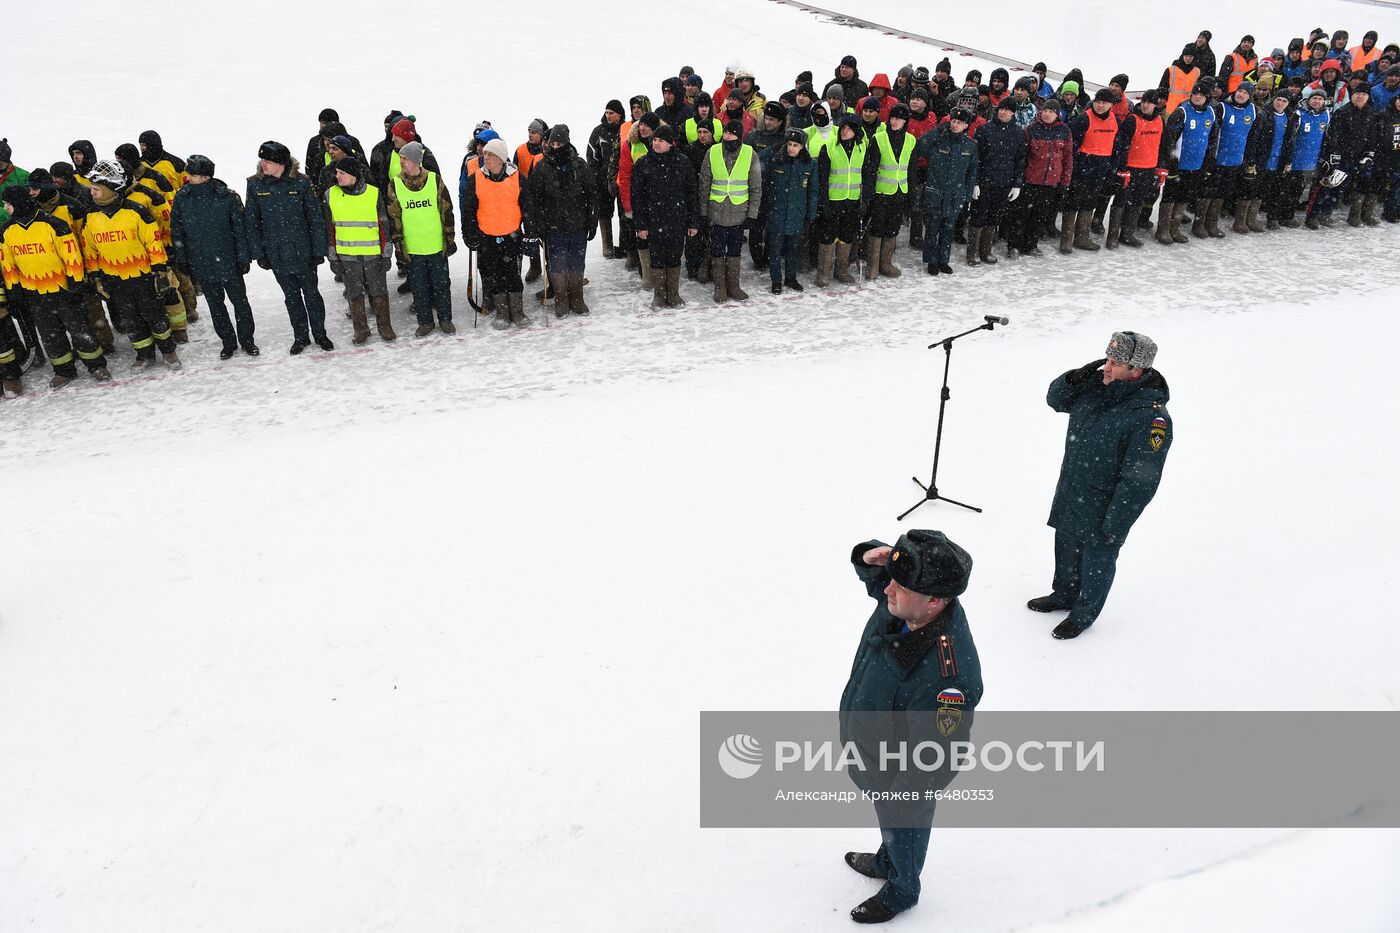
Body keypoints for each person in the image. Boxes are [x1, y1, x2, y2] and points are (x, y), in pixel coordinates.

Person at [840, 529, 981, 924]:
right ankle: (888, 859)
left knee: (905, 827)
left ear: (934, 600)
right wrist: (869, 556)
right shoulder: (912, 606)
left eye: (898, 586)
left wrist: (901, 798)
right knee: (892, 825)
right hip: (875, 754)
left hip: (902, 777)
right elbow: (883, 582)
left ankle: (902, 889)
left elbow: (939, 756)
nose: (887, 590)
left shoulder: (948, 678)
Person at [1032, 332, 1171, 639]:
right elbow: (1055, 400)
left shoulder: (1150, 418)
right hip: (1073, 491)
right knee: (1066, 547)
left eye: (1115, 363)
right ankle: (1064, 594)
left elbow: (1140, 481)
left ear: (1136, 370)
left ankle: (1083, 615)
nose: (1106, 367)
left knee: (1098, 559)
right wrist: (1074, 378)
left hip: (1105, 506)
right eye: (1107, 359)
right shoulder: (1094, 388)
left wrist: (1116, 522)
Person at [1, 186, 109, 387]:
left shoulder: (54, 224)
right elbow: (8, 265)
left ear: (19, 203)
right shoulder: (6, 231)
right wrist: (14, 291)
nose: (6, 208)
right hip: (34, 294)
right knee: (50, 335)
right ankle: (63, 370)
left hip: (63, 291)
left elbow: (72, 257)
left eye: (8, 204)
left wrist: (76, 284)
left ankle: (96, 365)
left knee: (80, 330)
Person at [80, 159, 182, 370]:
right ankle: (144, 354)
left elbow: (154, 244)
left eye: (96, 188)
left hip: (144, 277)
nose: (92, 192)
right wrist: (96, 278)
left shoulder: (136, 212)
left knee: (155, 315)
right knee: (131, 319)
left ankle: (168, 351)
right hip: (115, 280)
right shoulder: (90, 217)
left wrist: (161, 273)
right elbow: (90, 250)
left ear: (110, 188)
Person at [244, 140, 333, 355]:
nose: (263, 164)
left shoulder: (301, 183)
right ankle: (300, 336)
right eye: (262, 160)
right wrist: (259, 253)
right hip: (276, 254)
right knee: (291, 297)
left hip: (303, 252)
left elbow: (315, 219)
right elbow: (252, 222)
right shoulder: (255, 185)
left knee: (312, 295)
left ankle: (320, 334)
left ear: (280, 163)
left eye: (267, 161)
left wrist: (318, 250)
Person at [169, 154, 259, 359]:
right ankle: (228, 342)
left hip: (229, 261)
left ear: (205, 177)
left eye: (192, 174)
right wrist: (182, 258)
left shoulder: (227, 197)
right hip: (202, 262)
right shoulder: (182, 198)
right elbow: (177, 231)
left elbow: (240, 229)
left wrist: (243, 257)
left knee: (240, 303)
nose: (188, 177)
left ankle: (247, 340)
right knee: (215, 306)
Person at [525, 124, 596, 318]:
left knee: (577, 263)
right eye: (553, 144)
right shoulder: (542, 167)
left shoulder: (579, 165)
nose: (555, 147)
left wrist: (592, 219)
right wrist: (537, 225)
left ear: (567, 143)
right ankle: (561, 298)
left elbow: (592, 194)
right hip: (553, 227)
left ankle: (577, 297)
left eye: (559, 144)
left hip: (578, 225)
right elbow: (533, 199)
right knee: (557, 264)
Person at [388, 141, 458, 335]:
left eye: (405, 158)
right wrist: (399, 244)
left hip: (436, 246)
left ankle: (445, 319)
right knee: (419, 288)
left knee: (441, 285)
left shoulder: (434, 180)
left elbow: (446, 210)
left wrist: (449, 238)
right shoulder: (395, 184)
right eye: (401, 158)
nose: (401, 162)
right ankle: (425, 322)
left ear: (416, 160)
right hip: (413, 248)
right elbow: (394, 217)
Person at [462, 137, 531, 329]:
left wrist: (531, 232)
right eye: (484, 154)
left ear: (501, 158)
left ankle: (517, 311)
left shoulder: (517, 178)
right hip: (488, 238)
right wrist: (469, 234)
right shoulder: (475, 179)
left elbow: (528, 208)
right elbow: (469, 210)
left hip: (512, 237)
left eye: (490, 155)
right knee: (495, 275)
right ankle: (502, 312)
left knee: (513, 275)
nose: (485, 157)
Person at [324, 158, 395, 345]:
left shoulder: (373, 193)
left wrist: (386, 254)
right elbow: (329, 229)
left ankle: (385, 326)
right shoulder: (330, 195)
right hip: (347, 256)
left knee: (379, 291)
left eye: (342, 173)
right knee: (354, 294)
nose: (337, 176)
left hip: (373, 255)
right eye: (337, 172)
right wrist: (333, 258)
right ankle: (361, 330)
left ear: (354, 175)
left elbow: (383, 225)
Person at [630, 124, 699, 310]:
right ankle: (659, 296)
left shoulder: (682, 162)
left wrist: (693, 222)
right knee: (657, 258)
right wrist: (640, 225)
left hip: (677, 220)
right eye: (654, 140)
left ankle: (673, 294)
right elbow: (637, 197)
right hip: (654, 221)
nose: (656, 143)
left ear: (670, 143)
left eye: (661, 140)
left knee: (675, 257)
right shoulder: (643, 164)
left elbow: (692, 194)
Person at [699, 120, 761, 303]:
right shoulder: (712, 152)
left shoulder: (750, 154)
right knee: (717, 250)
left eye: (731, 133)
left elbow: (756, 187)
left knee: (735, 251)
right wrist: (703, 212)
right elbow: (704, 184)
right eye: (725, 132)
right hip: (716, 212)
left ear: (739, 136)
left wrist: (752, 214)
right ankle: (720, 287)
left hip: (739, 213)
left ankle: (734, 286)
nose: (727, 136)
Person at [914, 107, 978, 276]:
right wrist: (937, 130)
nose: (955, 125)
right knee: (932, 229)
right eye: (953, 121)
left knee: (948, 230)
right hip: (934, 192)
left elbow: (972, 171)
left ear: (966, 125)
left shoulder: (970, 146)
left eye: (960, 122)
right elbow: (920, 146)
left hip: (955, 195)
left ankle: (943, 260)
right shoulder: (938, 139)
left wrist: (967, 194)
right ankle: (931, 261)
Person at [1008, 98, 1073, 257]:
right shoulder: (1031, 129)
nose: (1047, 114)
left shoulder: (1065, 131)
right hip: (1030, 181)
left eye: (1051, 112)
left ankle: (1031, 245)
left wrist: (1065, 181)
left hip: (1051, 183)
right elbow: (1022, 157)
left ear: (1057, 115)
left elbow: (1067, 158)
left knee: (1039, 216)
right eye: (1045, 111)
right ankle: (1014, 246)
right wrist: (1019, 179)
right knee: (1021, 215)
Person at [759, 128, 819, 293]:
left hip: (796, 214)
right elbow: (758, 160)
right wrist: (772, 149)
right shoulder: (776, 159)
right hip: (776, 213)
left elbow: (813, 191)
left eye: (795, 145)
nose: (791, 148)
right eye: (789, 144)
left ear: (802, 147)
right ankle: (776, 280)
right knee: (775, 250)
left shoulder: (810, 164)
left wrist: (811, 215)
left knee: (793, 249)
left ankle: (791, 278)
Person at [967, 97, 1025, 264]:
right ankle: (972, 253)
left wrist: (1017, 184)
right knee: (978, 216)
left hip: (1004, 183)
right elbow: (975, 159)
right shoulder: (984, 130)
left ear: (1013, 113)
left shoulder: (1018, 133)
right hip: (984, 182)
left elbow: (1020, 159)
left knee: (994, 217)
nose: (1003, 112)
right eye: (1001, 108)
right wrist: (975, 182)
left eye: (1007, 110)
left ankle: (986, 251)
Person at [1312, 84, 1379, 226]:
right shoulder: (1342, 112)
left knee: (1340, 189)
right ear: (1352, 95)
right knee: (1328, 186)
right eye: (1357, 93)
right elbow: (1333, 136)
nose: (1360, 96)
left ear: (1368, 97)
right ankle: (1314, 215)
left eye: (1364, 94)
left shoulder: (1371, 113)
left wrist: (1368, 154)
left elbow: (1372, 136)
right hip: (1340, 158)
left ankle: (1326, 213)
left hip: (1357, 158)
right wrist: (1334, 154)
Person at [1161, 82, 1220, 243]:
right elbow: (1169, 141)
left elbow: (1212, 141)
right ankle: (1163, 230)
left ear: (1207, 97)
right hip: (1178, 166)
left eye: (1201, 94)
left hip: (1196, 166)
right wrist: (1172, 165)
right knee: (1170, 197)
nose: (1197, 96)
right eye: (1195, 93)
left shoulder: (1211, 113)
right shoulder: (1182, 112)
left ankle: (1175, 229)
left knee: (1184, 197)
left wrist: (1208, 163)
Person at [813, 115, 868, 286]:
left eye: (849, 129)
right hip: (833, 200)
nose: (845, 131)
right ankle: (823, 273)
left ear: (856, 131)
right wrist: (824, 203)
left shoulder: (862, 148)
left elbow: (866, 174)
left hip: (852, 200)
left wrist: (864, 199)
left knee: (847, 235)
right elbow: (822, 179)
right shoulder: (829, 147)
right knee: (828, 236)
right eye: (843, 127)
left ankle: (841, 270)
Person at [863, 103, 915, 278]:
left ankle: (885, 264)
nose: (894, 122)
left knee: (893, 228)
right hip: (881, 193)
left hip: (900, 192)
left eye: (898, 119)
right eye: (892, 118)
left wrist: (911, 193)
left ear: (905, 121)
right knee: (877, 228)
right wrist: (869, 194)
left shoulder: (911, 140)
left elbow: (911, 170)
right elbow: (870, 169)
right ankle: (872, 266)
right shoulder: (878, 138)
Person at [1109, 89, 1165, 248]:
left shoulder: (1160, 121)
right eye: (1144, 102)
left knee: (1138, 201)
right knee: (1120, 200)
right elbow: (1121, 146)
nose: (1145, 105)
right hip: (1130, 169)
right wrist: (1122, 168)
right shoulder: (1132, 120)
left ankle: (1127, 234)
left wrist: (1162, 167)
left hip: (1149, 169)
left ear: (1156, 105)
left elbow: (1164, 146)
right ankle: (1113, 236)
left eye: (1149, 102)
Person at [587, 100, 626, 258]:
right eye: (607, 112)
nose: (608, 116)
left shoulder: (625, 129)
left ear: (619, 114)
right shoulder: (598, 131)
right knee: (604, 213)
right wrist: (598, 177)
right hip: (603, 180)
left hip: (622, 179)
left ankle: (625, 245)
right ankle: (607, 246)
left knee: (624, 214)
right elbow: (591, 156)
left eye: (612, 113)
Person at [1160, 45, 1202, 114]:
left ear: (1194, 57)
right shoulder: (1171, 70)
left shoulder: (1197, 72)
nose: (1188, 58)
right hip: (1171, 109)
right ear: (1182, 56)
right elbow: (1162, 87)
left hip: (1189, 109)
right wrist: (1162, 100)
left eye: (1190, 56)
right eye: (1186, 56)